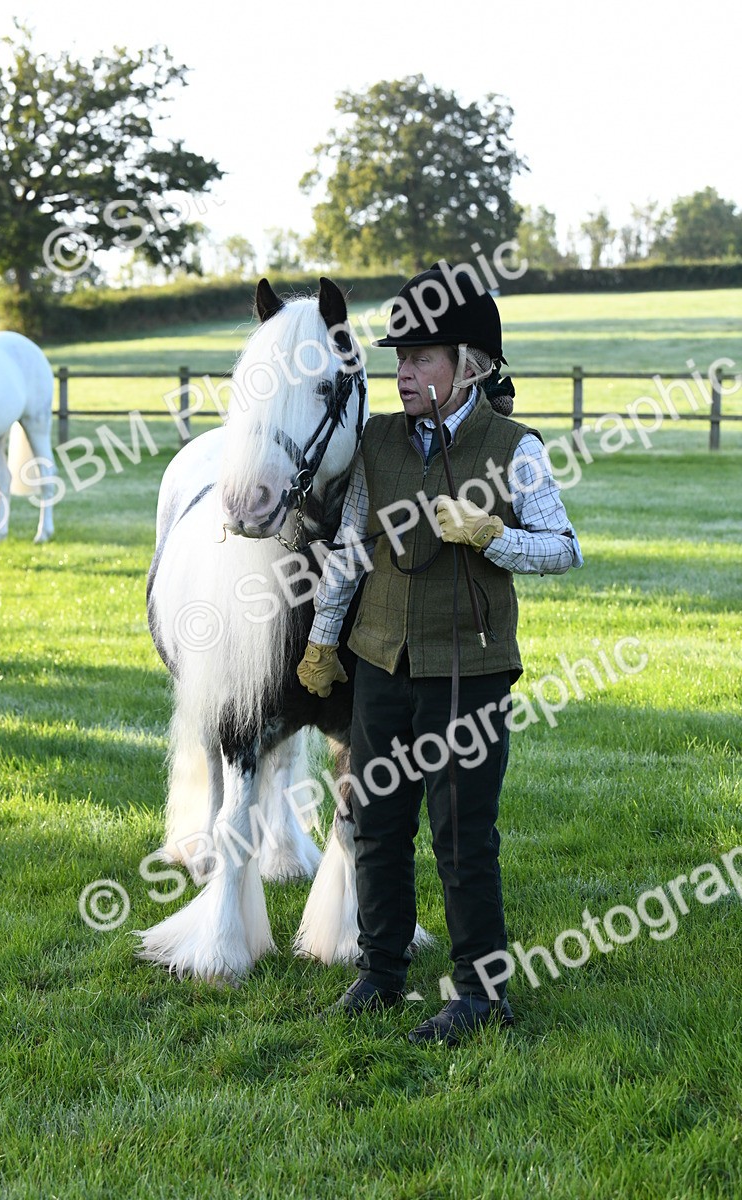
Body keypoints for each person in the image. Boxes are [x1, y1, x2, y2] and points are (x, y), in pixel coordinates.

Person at [296, 265, 583, 1045]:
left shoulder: (515, 447)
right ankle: (380, 973)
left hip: (471, 670)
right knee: (375, 824)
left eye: (424, 357)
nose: (405, 373)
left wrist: (496, 537)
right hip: (380, 664)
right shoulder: (378, 439)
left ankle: (482, 995)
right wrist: (324, 641)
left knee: (462, 834)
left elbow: (566, 549)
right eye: (400, 357)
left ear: (472, 366)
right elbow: (351, 547)